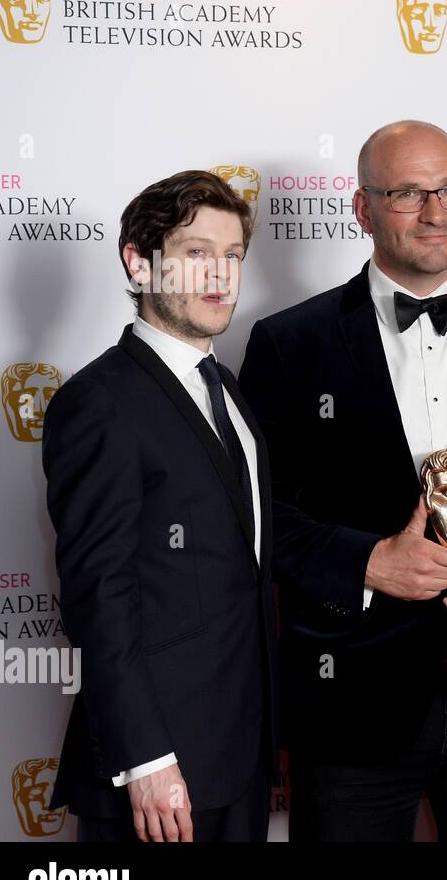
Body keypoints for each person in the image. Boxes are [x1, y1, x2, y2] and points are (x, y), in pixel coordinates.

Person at [238, 120, 447, 842]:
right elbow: (257, 517)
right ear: (362, 209)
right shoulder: (289, 343)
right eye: (408, 193)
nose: (435, 211)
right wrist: (368, 561)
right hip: (350, 705)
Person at [43, 169, 276, 841]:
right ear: (139, 262)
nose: (221, 276)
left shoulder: (228, 389)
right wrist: (145, 756)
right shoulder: (100, 402)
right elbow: (97, 593)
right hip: (156, 772)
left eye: (232, 256)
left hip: (241, 757)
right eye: (196, 253)